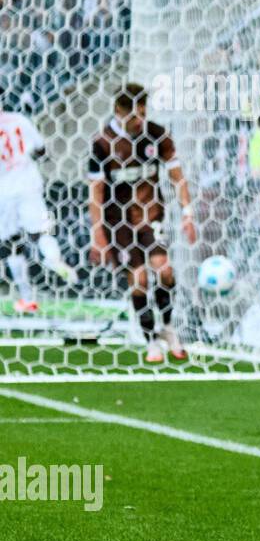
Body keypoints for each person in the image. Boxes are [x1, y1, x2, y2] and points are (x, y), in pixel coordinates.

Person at [88, 83, 197, 364]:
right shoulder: (102, 143)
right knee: (139, 280)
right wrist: (97, 233)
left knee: (165, 271)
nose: (140, 121)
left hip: (151, 217)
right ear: (119, 112)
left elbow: (177, 175)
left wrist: (188, 212)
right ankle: (150, 341)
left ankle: (169, 328)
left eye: (143, 114)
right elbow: (96, 192)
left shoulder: (156, 134)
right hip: (118, 224)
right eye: (135, 116)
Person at [0, 110, 75, 314]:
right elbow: (41, 150)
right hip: (30, 183)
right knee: (40, 230)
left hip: (4, 190)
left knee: (11, 241)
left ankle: (26, 298)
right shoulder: (19, 119)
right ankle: (54, 258)